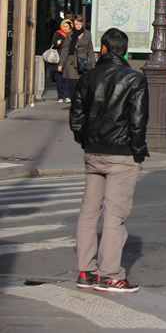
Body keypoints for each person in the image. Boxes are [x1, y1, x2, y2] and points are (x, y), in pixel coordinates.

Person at [70, 27, 149, 294]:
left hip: (93, 153)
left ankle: (85, 271)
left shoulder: (87, 77)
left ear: (103, 49)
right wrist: (138, 154)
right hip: (122, 154)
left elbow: (76, 119)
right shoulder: (134, 79)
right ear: (124, 50)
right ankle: (110, 275)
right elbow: (138, 122)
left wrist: (87, 141)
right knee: (115, 216)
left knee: (88, 213)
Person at [58, 15, 98, 100]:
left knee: (82, 83)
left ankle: (80, 101)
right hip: (72, 61)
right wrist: (61, 64)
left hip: (83, 61)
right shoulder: (70, 34)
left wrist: (93, 62)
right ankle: (73, 102)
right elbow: (65, 49)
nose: (78, 26)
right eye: (76, 24)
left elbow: (90, 49)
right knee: (72, 84)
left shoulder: (87, 34)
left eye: (79, 23)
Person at [50, 18, 73, 103]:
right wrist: (57, 44)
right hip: (59, 60)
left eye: (67, 26)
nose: (66, 28)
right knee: (59, 80)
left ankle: (67, 96)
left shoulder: (72, 35)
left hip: (68, 59)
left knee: (67, 79)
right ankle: (60, 96)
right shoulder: (58, 34)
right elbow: (52, 46)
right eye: (64, 26)